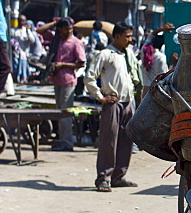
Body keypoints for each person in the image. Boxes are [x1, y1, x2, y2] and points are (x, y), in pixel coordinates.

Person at [84, 22, 140, 192]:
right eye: (127, 36)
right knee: (109, 141)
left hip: (128, 101)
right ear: (117, 37)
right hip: (112, 103)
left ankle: (118, 176)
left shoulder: (128, 55)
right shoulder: (106, 54)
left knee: (126, 140)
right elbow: (89, 77)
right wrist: (101, 97)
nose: (130, 39)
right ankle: (103, 178)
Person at [49, 18, 86, 152]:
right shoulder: (58, 40)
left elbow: (81, 63)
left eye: (70, 29)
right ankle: (62, 140)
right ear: (60, 29)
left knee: (66, 113)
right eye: (66, 29)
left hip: (68, 80)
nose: (69, 32)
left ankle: (67, 142)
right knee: (59, 111)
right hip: (57, 79)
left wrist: (63, 65)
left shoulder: (76, 42)